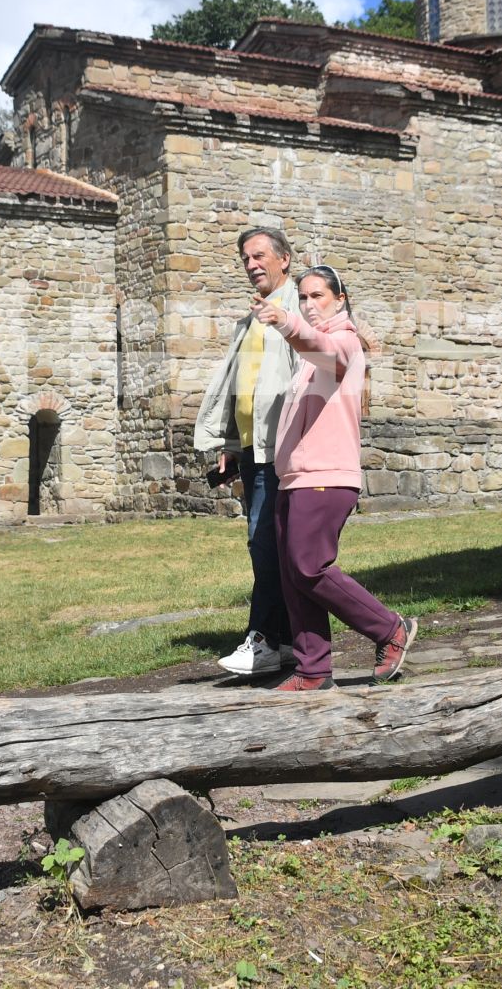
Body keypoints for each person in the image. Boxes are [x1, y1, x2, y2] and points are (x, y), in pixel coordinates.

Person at [250, 265, 415, 690]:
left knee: (308, 567)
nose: (308, 305)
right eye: (302, 298)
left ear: (340, 299)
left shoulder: (343, 342)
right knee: (293, 578)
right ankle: (312, 670)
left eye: (318, 296)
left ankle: (390, 628)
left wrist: (286, 321)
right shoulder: (307, 361)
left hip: (325, 477)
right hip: (295, 478)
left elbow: (324, 348)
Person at [194, 227, 301, 675]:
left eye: (259, 256)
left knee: (269, 544)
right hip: (255, 451)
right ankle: (287, 639)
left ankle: (265, 639)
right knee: (268, 546)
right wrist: (233, 445)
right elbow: (247, 388)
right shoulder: (257, 315)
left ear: (284, 260)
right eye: (245, 259)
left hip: (286, 451)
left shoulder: (300, 308)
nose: (251, 264)